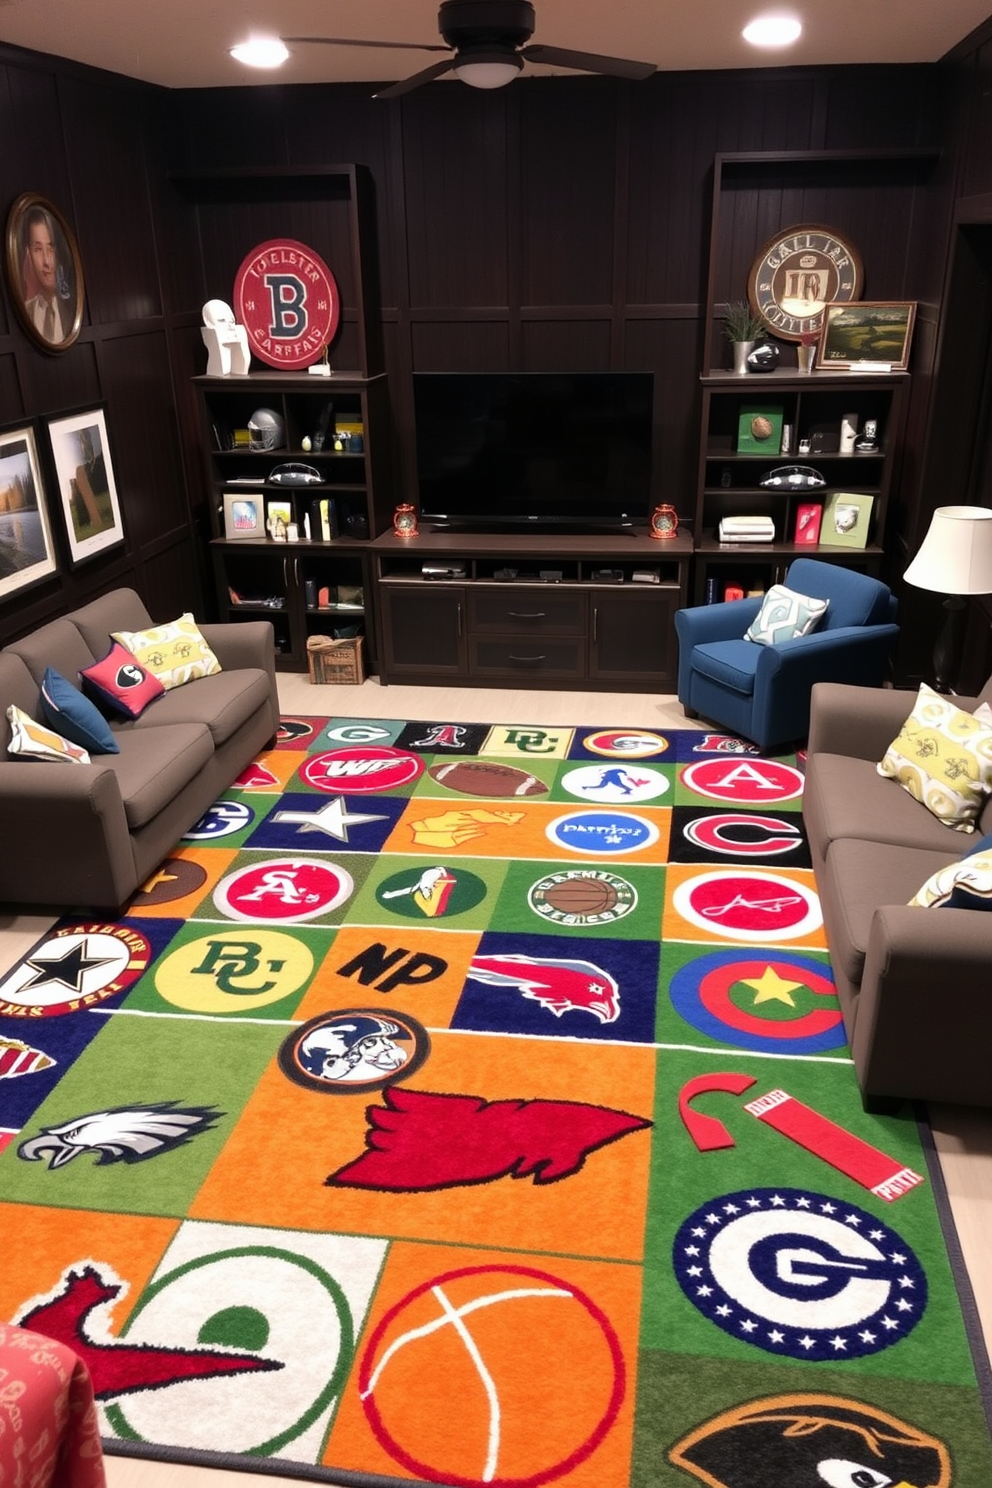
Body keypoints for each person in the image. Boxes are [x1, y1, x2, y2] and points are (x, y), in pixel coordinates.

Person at [20, 206, 73, 344]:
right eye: (38, 249)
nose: (46, 262)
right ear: (28, 254)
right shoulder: (27, 311)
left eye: (51, 249)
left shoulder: (72, 311)